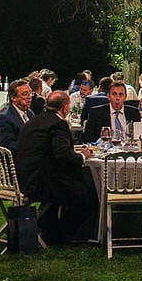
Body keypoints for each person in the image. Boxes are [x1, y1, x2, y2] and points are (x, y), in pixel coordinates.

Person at [14, 91, 96, 244]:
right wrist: (83, 155)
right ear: (65, 108)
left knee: (80, 181)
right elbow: (62, 155)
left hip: (24, 177)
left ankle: (48, 229)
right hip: (41, 182)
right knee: (89, 193)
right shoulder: (58, 124)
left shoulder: (35, 120)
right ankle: (63, 234)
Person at [0, 79, 34, 155]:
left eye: (31, 93)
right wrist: (31, 145)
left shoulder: (30, 113)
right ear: (13, 98)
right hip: (18, 159)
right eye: (25, 94)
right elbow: (6, 146)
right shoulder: (4, 118)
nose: (30, 97)